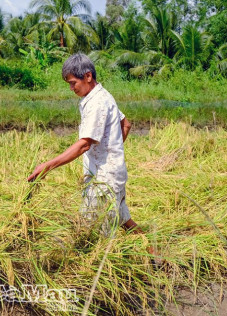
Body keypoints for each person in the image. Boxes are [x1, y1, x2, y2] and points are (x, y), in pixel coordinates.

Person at [27, 53, 154, 252]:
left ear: (87, 76)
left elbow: (84, 145)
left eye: (72, 83)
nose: (71, 88)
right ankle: (154, 253)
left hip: (104, 180)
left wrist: (47, 166)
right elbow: (126, 124)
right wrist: (112, 151)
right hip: (109, 172)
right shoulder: (101, 96)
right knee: (123, 219)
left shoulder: (97, 103)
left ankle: (107, 269)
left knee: (94, 231)